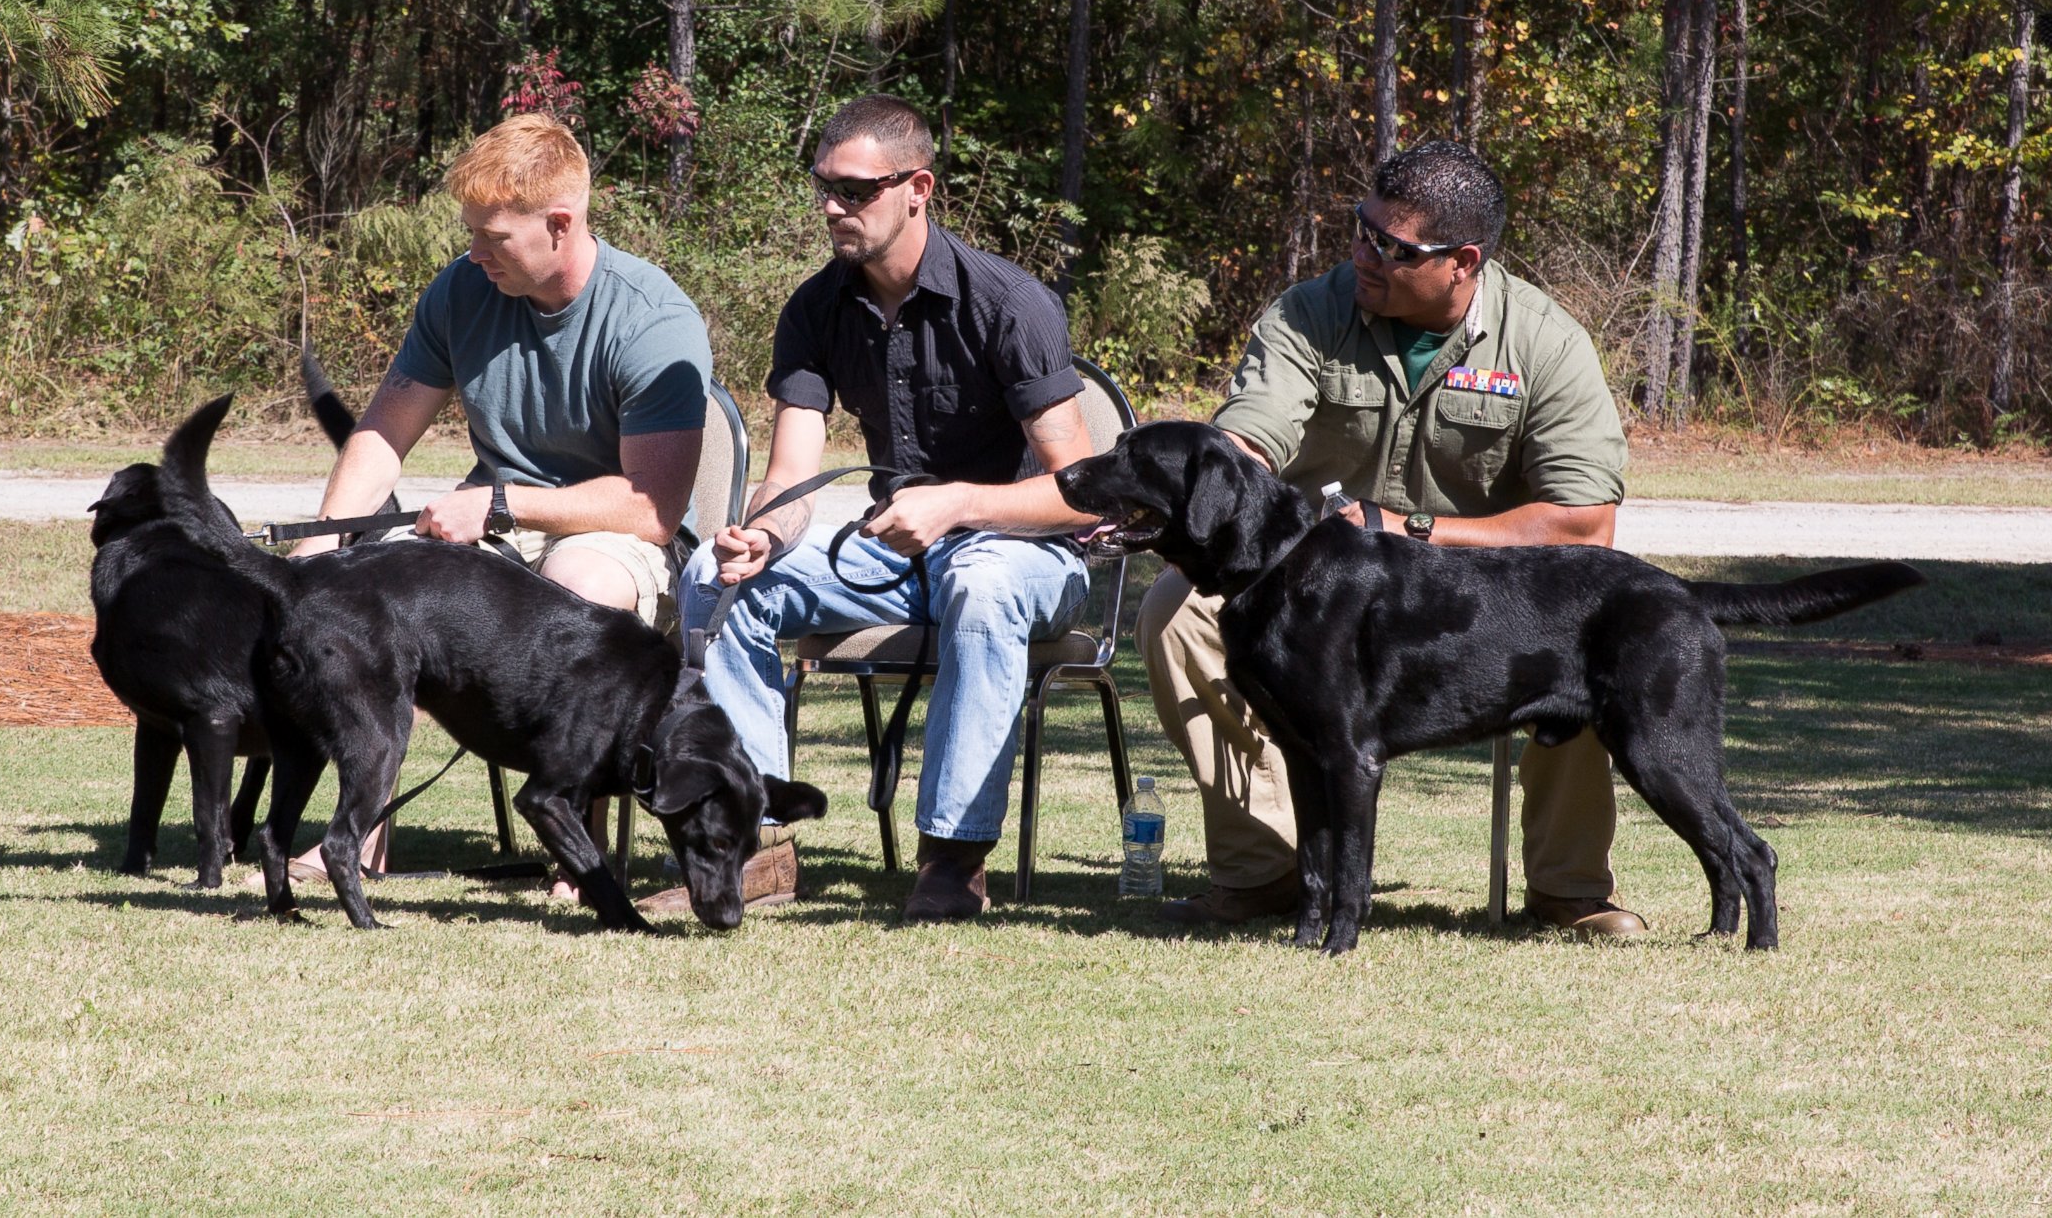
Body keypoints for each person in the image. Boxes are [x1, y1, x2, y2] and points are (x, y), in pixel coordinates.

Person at [1138, 139, 1643, 938]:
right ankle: (1266, 869)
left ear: (1461, 262)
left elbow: (1585, 522)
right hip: (1314, 587)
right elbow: (1244, 450)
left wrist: (1409, 528)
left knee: (1584, 626)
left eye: (1391, 246)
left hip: (1482, 590)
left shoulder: (1546, 343)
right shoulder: (1310, 313)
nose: (1362, 254)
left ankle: (1570, 890)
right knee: (1178, 612)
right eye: (1359, 229)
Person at [661, 95, 1099, 922]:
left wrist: (956, 505)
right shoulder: (816, 309)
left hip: (1024, 551)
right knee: (716, 580)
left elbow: (1081, 492)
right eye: (824, 185)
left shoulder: (1009, 303)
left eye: (855, 190)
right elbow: (793, 471)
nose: (833, 206)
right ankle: (750, 840)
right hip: (895, 554)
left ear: (917, 188)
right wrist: (760, 535)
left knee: (984, 587)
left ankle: (952, 858)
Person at [287, 113, 713, 878]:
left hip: (616, 536)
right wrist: (321, 542)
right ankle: (357, 842)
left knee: (577, 587)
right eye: (472, 233)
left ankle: (573, 854)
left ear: (560, 223)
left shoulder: (652, 317)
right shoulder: (461, 291)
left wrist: (504, 504)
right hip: (499, 524)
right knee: (377, 595)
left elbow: (653, 509)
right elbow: (385, 431)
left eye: (495, 237)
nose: (475, 253)